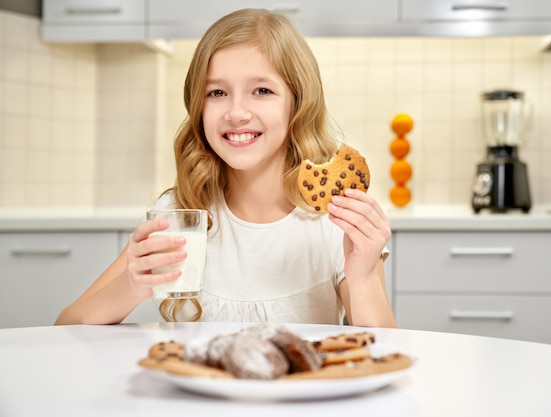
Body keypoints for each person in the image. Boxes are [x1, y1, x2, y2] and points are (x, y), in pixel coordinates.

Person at [55, 8, 396, 328]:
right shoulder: (179, 216)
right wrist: (132, 285)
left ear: (298, 102)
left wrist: (362, 275)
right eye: (217, 93)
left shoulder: (334, 222)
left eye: (261, 90)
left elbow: (383, 351)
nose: (236, 112)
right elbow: (66, 326)